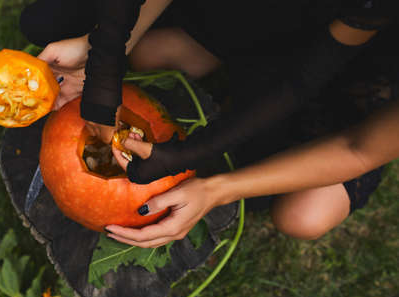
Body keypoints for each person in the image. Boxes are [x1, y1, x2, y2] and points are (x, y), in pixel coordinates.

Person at [20, 0, 398, 247]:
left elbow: (354, 142)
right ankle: (226, 48)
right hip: (281, 15)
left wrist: (213, 185)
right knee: (124, 43)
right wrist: (102, 54)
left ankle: (230, 57)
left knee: (303, 215)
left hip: (358, 67)